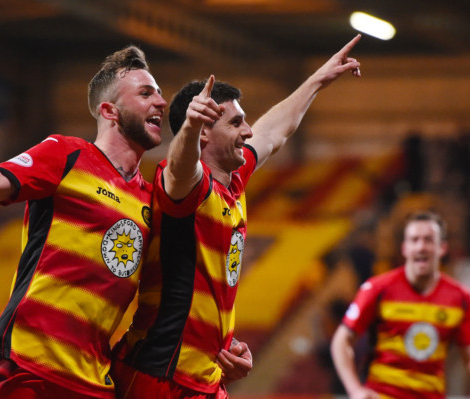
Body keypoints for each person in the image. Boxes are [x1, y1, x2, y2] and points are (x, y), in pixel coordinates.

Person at [0, 45, 250, 399]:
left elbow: (174, 291)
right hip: (26, 367)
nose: (161, 103)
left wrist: (226, 347)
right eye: (146, 93)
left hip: (94, 382)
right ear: (110, 111)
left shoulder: (152, 198)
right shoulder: (66, 153)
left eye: (161, 95)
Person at [112, 35, 362, 398]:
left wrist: (317, 80)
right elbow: (182, 167)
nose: (247, 132)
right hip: (158, 377)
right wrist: (188, 130)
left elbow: (275, 131)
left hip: (207, 379)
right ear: (204, 133)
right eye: (236, 124)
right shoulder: (186, 187)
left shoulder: (234, 181)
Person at [330, 211, 470, 399]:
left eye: (429, 240)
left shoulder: (460, 298)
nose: (421, 247)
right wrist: (355, 390)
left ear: (442, 248)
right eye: (415, 240)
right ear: (404, 248)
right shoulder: (377, 289)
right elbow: (341, 341)